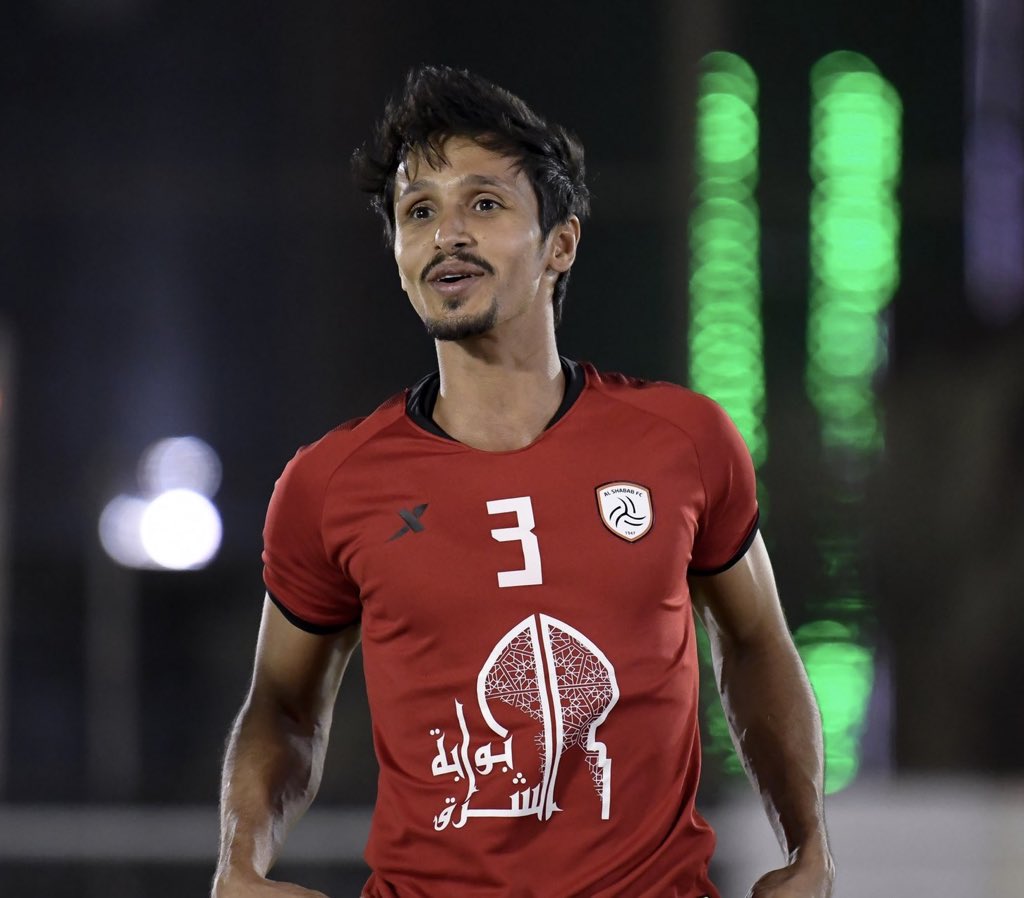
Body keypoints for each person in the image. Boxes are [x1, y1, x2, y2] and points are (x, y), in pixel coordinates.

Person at [212, 65, 835, 898]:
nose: (447, 234)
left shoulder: (683, 442)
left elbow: (757, 644)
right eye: (419, 212)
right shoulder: (329, 484)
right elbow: (284, 705)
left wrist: (809, 844)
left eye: (484, 204)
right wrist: (239, 863)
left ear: (560, 244)